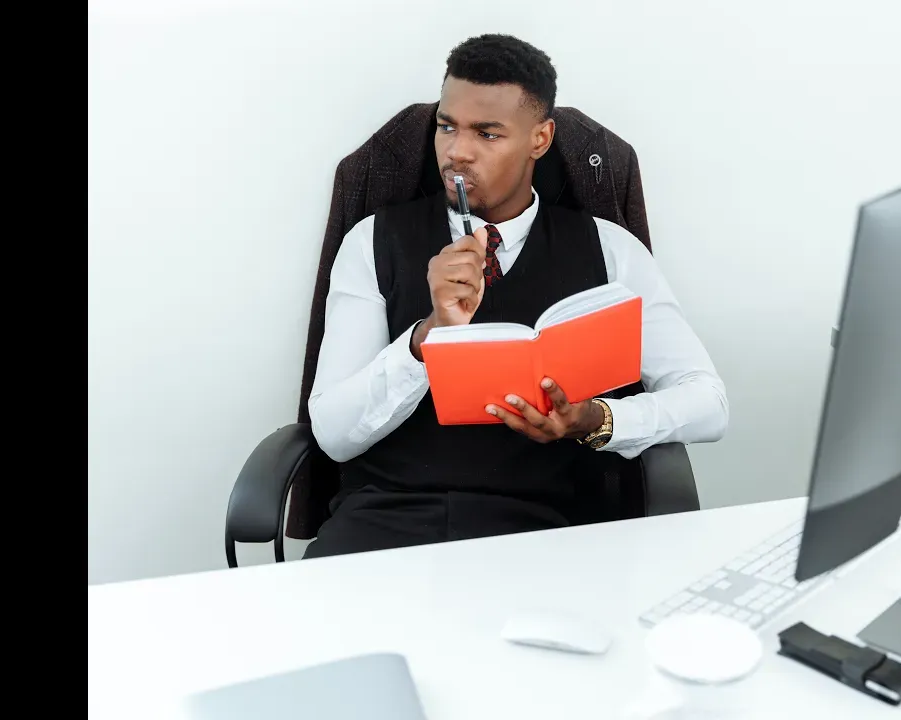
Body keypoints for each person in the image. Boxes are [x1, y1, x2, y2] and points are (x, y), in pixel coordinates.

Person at [303, 34, 728, 559]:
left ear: (540, 139)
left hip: (551, 532)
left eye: (487, 133)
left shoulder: (612, 250)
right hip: (386, 523)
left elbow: (708, 401)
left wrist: (598, 421)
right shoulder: (371, 240)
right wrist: (427, 338)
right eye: (446, 126)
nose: (457, 150)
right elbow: (334, 435)